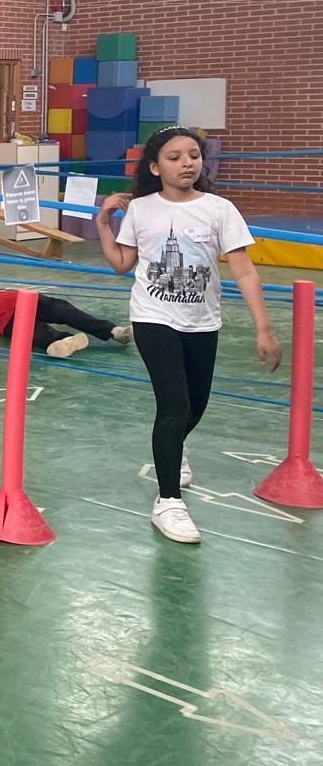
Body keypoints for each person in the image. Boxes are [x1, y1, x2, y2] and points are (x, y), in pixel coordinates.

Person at [98, 125, 281, 545]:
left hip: (202, 320)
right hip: (152, 317)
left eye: (194, 156)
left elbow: (244, 271)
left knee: (195, 405)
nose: (187, 163)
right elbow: (123, 263)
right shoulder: (142, 209)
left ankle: (175, 448)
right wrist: (104, 222)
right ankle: (168, 502)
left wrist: (263, 328)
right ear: (155, 167)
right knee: (175, 404)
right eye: (175, 157)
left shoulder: (220, 209)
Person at [0, 280, 130, 359]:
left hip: (21, 302)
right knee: (37, 335)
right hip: (5, 324)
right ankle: (65, 341)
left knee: (61, 310)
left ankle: (114, 332)